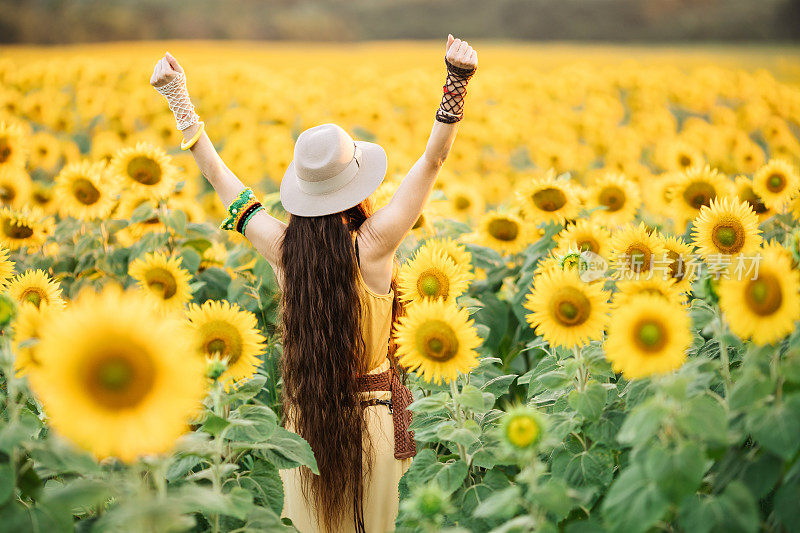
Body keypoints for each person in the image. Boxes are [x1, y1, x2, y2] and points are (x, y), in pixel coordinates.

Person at [150, 34, 478, 533]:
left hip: (305, 429)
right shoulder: (373, 245)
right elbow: (432, 162)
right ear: (357, 184)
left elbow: (223, 183)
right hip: (377, 425)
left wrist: (178, 96)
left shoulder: (284, 250)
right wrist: (457, 79)